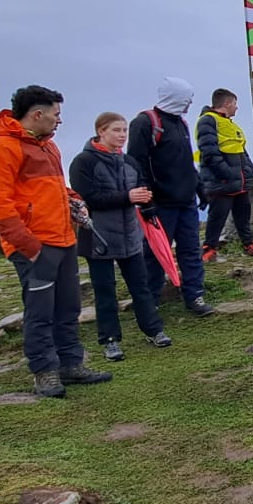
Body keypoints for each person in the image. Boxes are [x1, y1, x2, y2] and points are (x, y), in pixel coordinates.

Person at [0, 84, 112, 398]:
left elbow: (54, 189)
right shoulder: (0, 149)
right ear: (38, 114)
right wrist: (31, 249)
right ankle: (44, 372)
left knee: (68, 306)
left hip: (63, 239)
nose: (59, 121)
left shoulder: (48, 146)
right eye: (56, 114)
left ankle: (70, 364)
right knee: (40, 311)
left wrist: (74, 201)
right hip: (35, 247)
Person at [69, 112, 173, 362]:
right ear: (101, 131)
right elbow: (89, 198)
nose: (122, 135)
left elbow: (141, 190)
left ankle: (154, 330)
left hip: (130, 236)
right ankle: (110, 340)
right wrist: (128, 197)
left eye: (124, 130)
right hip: (99, 237)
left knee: (141, 286)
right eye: (116, 130)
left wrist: (146, 203)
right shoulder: (83, 162)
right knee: (105, 290)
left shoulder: (129, 162)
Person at [128, 77, 214, 316]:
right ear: (176, 97)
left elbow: (187, 162)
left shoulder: (181, 123)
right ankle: (150, 300)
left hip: (185, 202)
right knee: (155, 253)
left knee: (190, 251)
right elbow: (136, 164)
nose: (190, 103)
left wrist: (199, 188)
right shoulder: (145, 123)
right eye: (187, 98)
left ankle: (194, 295)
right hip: (160, 203)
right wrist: (146, 201)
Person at [196, 88, 253, 261]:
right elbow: (209, 152)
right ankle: (208, 248)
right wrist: (226, 174)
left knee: (243, 214)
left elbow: (241, 149)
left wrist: (250, 170)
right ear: (226, 104)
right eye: (235, 103)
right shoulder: (208, 121)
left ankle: (249, 244)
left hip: (239, 180)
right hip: (223, 181)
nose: (236, 108)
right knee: (217, 216)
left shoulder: (230, 123)